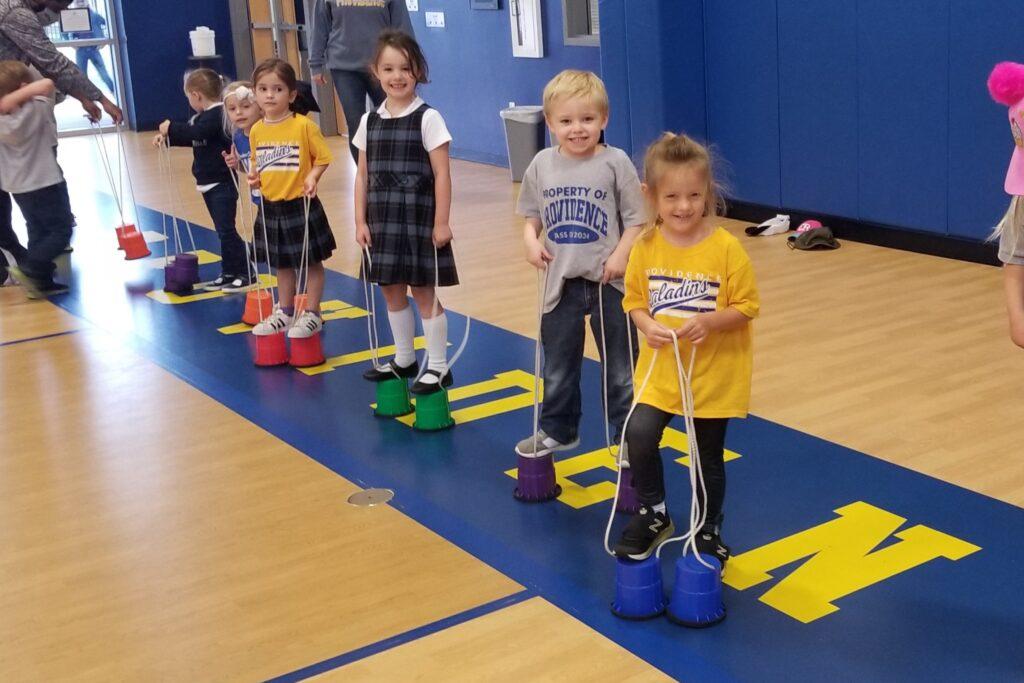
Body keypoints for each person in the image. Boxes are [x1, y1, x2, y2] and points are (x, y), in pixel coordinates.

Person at [613, 133, 760, 563]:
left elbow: (748, 306)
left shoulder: (726, 249)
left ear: (708, 194)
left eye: (694, 195)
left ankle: (708, 527)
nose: (683, 206)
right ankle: (655, 513)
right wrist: (645, 324)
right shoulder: (645, 247)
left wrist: (711, 322)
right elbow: (634, 300)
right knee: (639, 434)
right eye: (672, 196)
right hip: (660, 372)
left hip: (712, 376)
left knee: (706, 456)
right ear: (651, 196)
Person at [514, 70, 645, 457]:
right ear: (551, 123)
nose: (577, 129)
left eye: (587, 119)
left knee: (621, 370)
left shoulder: (616, 162)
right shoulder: (540, 164)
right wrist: (529, 240)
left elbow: (637, 220)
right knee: (557, 365)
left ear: (604, 120)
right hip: (561, 282)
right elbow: (531, 215)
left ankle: (626, 435)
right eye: (566, 121)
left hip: (610, 283)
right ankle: (558, 429)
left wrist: (621, 255)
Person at [355, 30, 456, 394]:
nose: (397, 76)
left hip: (418, 218)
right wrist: (360, 220)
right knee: (390, 289)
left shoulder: (429, 118)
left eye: (406, 68)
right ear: (375, 72)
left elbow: (442, 173)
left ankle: (440, 367)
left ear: (418, 72)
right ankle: (403, 358)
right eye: (389, 68)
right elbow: (363, 174)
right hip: (383, 219)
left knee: (424, 291)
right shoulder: (369, 121)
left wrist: (441, 221)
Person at [0, 0, 122, 280]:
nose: (64, 10)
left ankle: (30, 264)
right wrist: (98, 97)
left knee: (33, 220)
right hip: (41, 181)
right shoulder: (15, 14)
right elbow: (52, 65)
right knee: (54, 225)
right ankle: (28, 263)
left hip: (19, 179)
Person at [247, 58, 335, 339]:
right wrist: (252, 175)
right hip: (271, 207)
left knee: (311, 262)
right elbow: (255, 162)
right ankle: (284, 312)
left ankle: (312, 313)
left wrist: (313, 177)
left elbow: (323, 158)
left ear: (292, 94)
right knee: (281, 264)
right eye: (263, 89)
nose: (270, 95)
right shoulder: (257, 130)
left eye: (277, 89)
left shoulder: (303, 127)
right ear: (256, 93)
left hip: (301, 205)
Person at [153, 69, 251, 291]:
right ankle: (228, 271)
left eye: (188, 97)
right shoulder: (202, 118)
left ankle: (246, 271)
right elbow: (195, 137)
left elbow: (197, 132)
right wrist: (167, 139)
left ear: (196, 95)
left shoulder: (217, 115)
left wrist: (171, 127)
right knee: (222, 230)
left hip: (222, 183)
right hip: (208, 182)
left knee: (227, 230)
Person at [0, 61, 73, 297]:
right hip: (45, 182)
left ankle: (40, 282)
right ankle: (33, 267)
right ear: (23, 87)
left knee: (37, 230)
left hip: (18, 187)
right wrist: (21, 93)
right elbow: (48, 84)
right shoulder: (37, 107)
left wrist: (6, 101)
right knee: (60, 230)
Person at [309, 0, 413, 163]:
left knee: (392, 120)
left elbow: (402, 27)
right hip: (344, 67)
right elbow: (320, 26)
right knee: (355, 124)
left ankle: (391, 169)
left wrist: (410, 63)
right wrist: (315, 64)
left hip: (383, 65)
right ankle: (365, 178)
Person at [60, 1, 115, 94]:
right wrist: (71, 43)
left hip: (93, 48)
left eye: (82, 1)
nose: (80, 3)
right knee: (82, 76)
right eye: (78, 2)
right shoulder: (73, 17)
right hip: (82, 49)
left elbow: (109, 25)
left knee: (103, 74)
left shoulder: (93, 15)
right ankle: (89, 96)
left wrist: (104, 40)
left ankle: (115, 91)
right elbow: (64, 32)